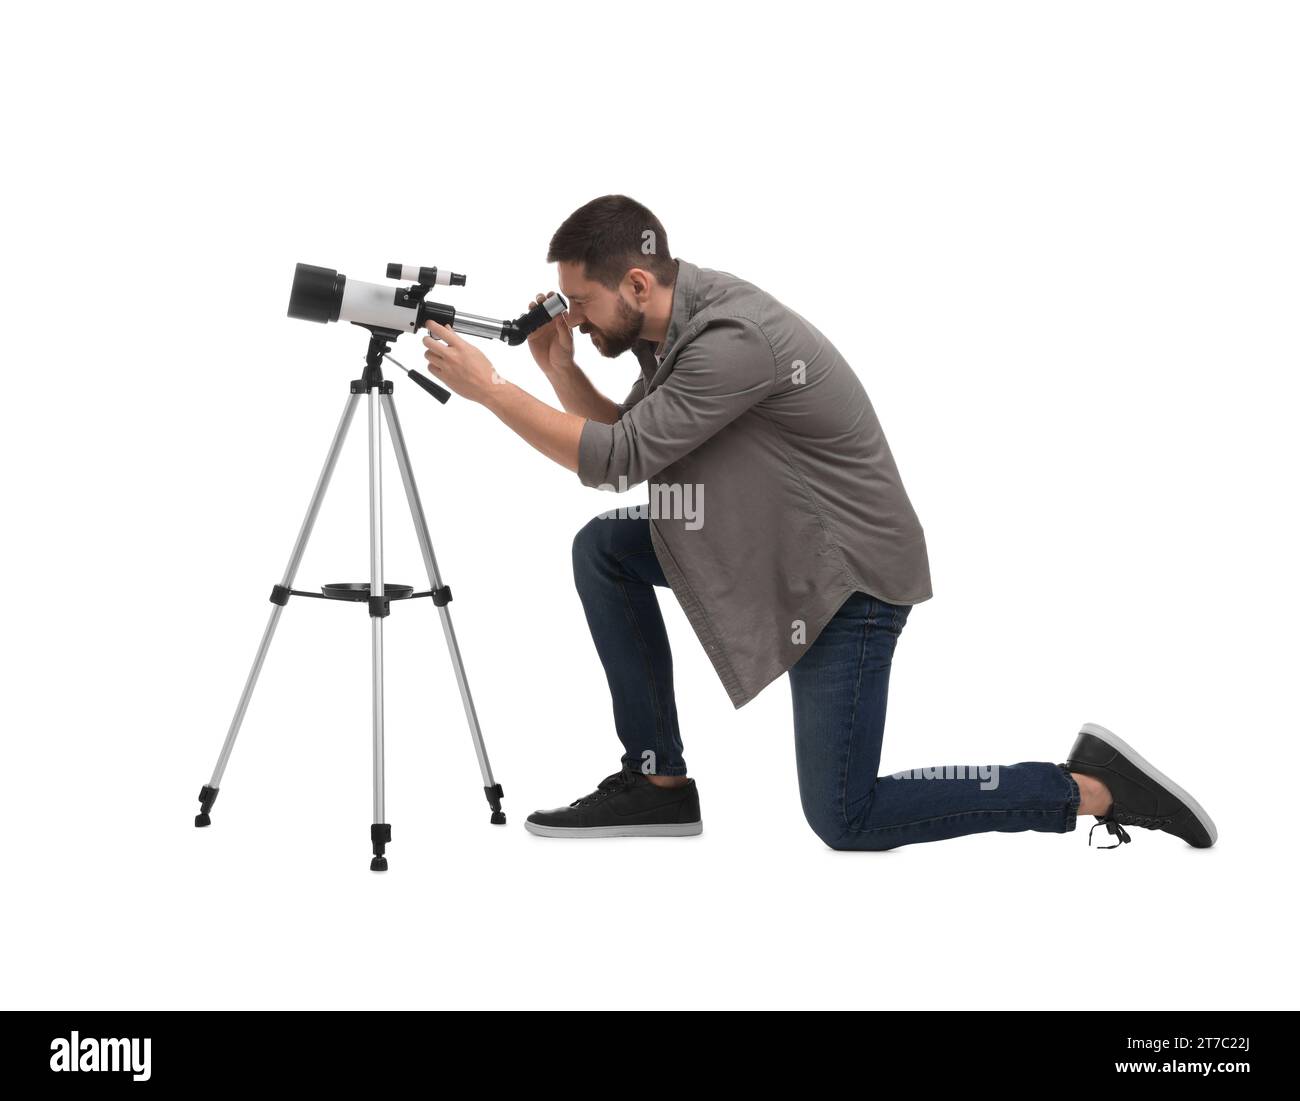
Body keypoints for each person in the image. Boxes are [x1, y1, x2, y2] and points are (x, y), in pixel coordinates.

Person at [419, 194, 1217, 851]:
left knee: (846, 815)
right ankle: (658, 780)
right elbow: (634, 447)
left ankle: (1087, 786)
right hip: (775, 551)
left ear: (634, 284)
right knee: (609, 550)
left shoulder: (728, 339)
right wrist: (557, 367)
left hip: (847, 584)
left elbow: (618, 458)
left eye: (582, 305)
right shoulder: (671, 333)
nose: (578, 322)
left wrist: (490, 388)